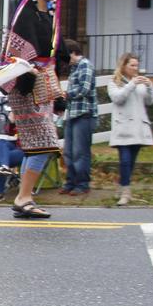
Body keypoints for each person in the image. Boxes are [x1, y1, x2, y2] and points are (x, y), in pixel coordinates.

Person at [3, 0, 69, 219]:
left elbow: (56, 58)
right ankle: (23, 197)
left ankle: (24, 197)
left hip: (44, 85)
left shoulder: (50, 17)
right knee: (44, 144)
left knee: (38, 145)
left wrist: (60, 93)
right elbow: (13, 54)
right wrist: (27, 71)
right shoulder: (25, 16)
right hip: (25, 87)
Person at [108, 52, 153, 206]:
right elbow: (118, 98)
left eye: (137, 65)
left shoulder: (141, 82)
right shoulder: (114, 81)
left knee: (131, 161)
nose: (135, 68)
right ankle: (126, 192)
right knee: (125, 160)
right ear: (124, 66)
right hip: (122, 126)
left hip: (138, 126)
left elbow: (150, 101)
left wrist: (150, 87)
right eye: (132, 65)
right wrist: (132, 84)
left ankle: (122, 186)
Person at [59, 41, 97, 196]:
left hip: (84, 114)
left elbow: (85, 89)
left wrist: (67, 95)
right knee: (68, 151)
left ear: (72, 52)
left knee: (80, 151)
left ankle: (82, 184)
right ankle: (70, 182)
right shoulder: (74, 68)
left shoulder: (85, 65)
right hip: (73, 113)